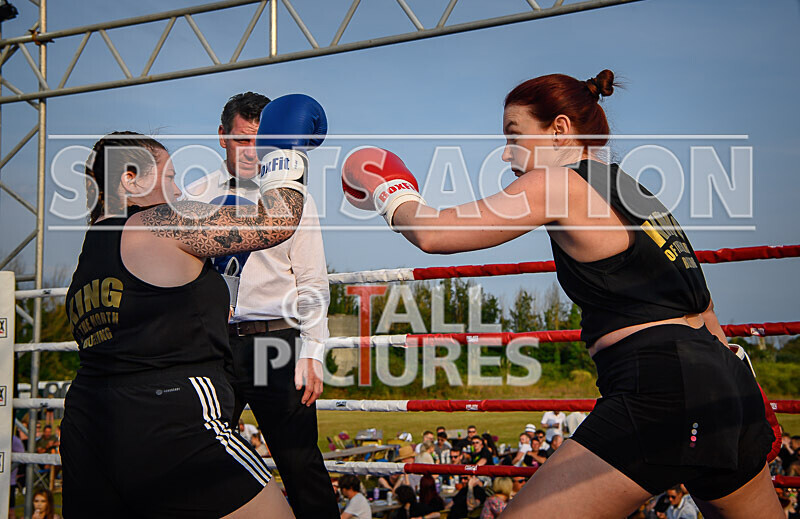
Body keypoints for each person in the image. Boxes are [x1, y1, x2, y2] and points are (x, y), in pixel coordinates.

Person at [341, 70, 781, 518]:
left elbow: (434, 233)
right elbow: (702, 305)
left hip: (660, 388)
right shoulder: (642, 196)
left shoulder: (560, 183)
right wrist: (750, 393)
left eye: (514, 135)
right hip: (729, 386)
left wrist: (388, 187)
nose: (506, 153)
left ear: (560, 130)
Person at [62, 93, 321, 518]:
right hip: (172, 415)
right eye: (169, 177)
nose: (178, 190)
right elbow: (274, 223)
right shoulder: (157, 223)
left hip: (90, 421)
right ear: (129, 178)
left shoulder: (90, 251)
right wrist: (284, 156)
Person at [185, 92, 337, 519]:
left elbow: (312, 279)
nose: (252, 152)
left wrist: (313, 350)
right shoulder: (194, 196)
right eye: (241, 140)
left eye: (260, 140)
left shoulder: (292, 197)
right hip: (211, 347)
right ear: (221, 137)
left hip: (276, 343)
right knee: (200, 459)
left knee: (300, 463)